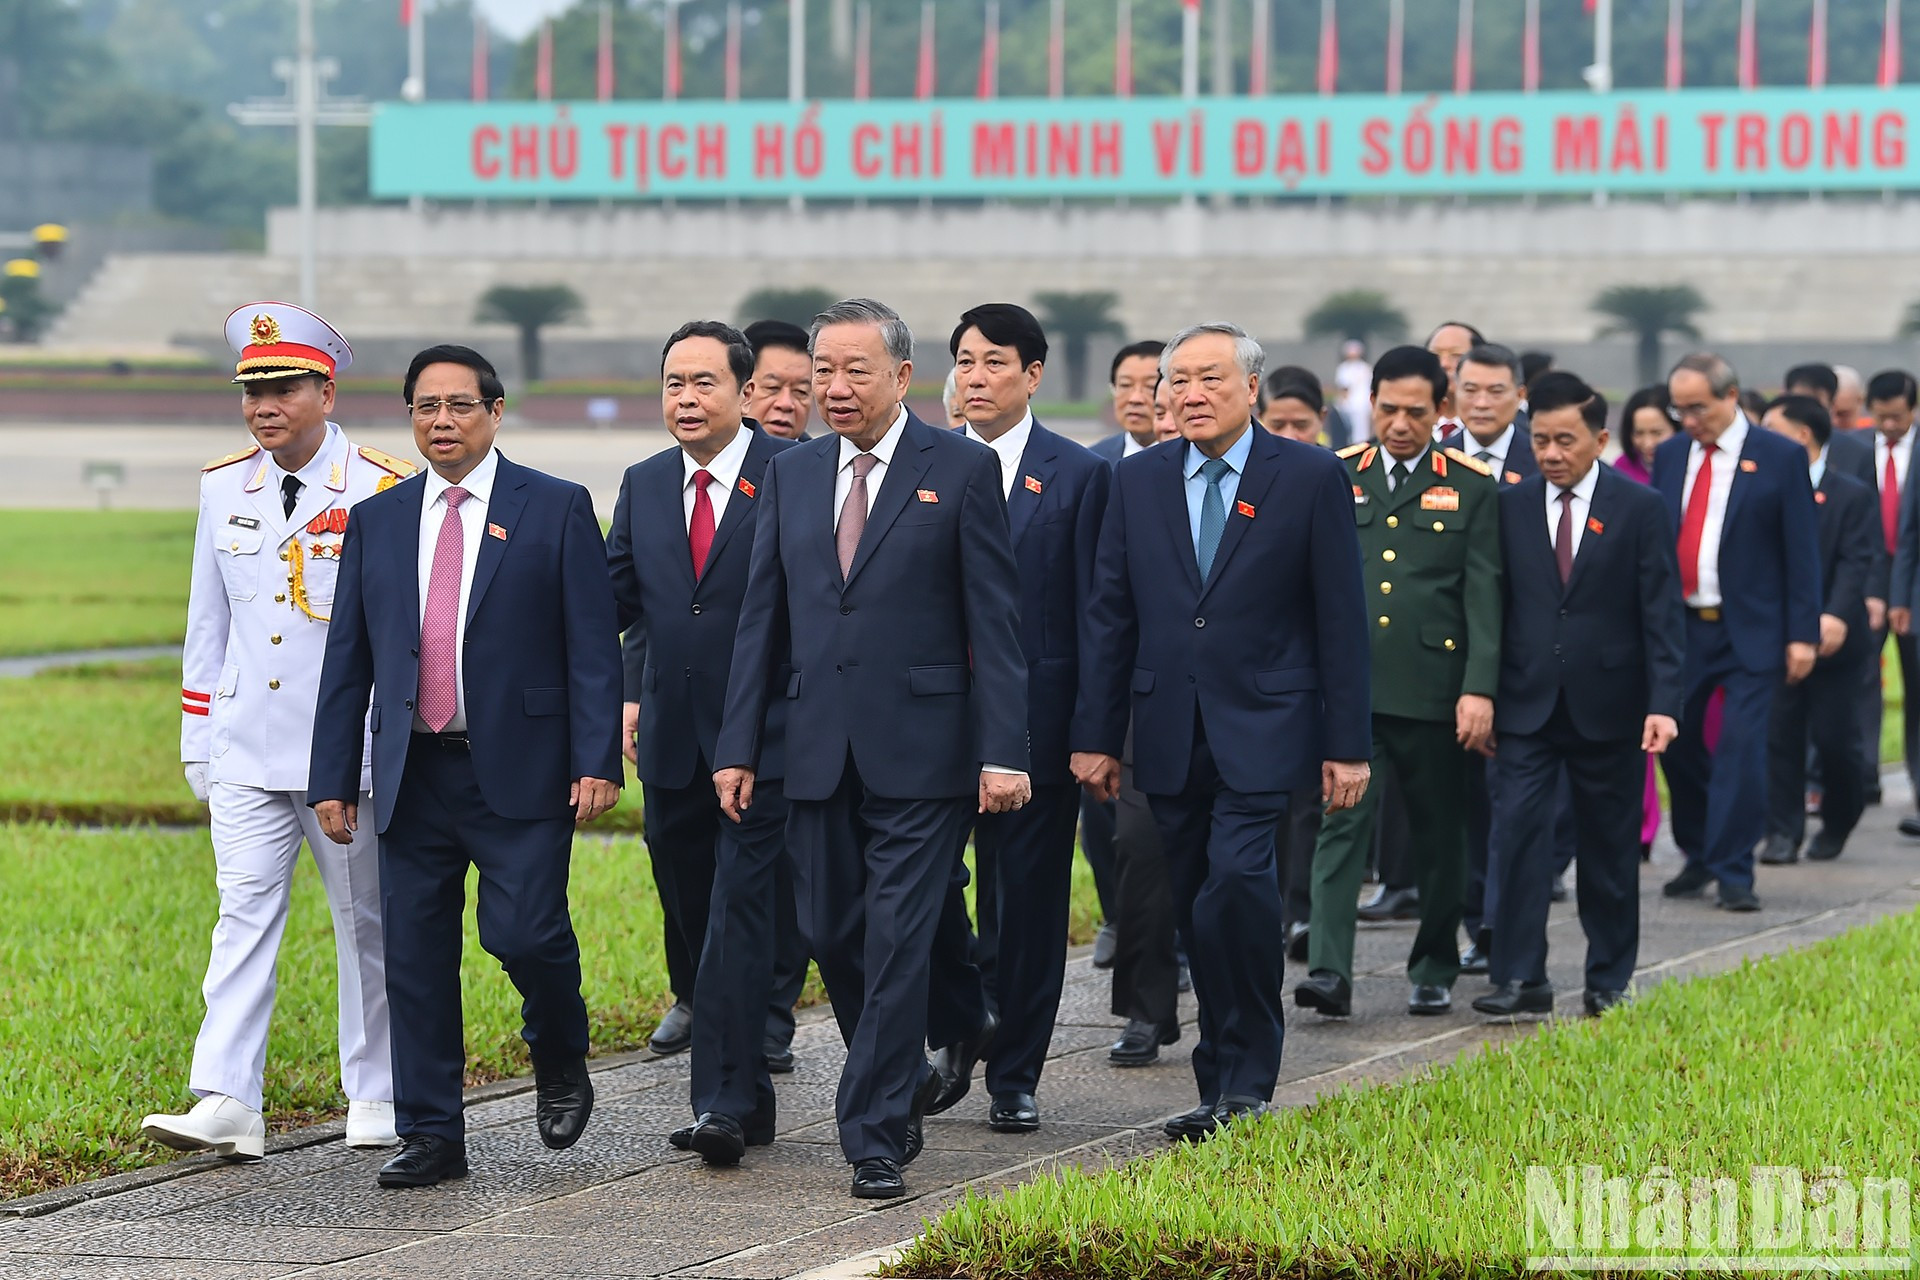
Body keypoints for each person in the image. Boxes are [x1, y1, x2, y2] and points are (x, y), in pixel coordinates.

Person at [712, 297, 1030, 1201]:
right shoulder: (793, 473)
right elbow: (760, 621)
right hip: (812, 745)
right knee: (833, 931)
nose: (836, 388)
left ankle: (876, 1132)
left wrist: (1004, 750)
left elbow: (994, 624)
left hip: (925, 752)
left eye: (857, 371)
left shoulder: (961, 469)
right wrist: (739, 746)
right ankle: (934, 1043)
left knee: (895, 938)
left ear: (901, 376)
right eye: (824, 371)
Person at [309, 344, 623, 1188]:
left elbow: (594, 647)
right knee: (412, 955)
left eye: (457, 405)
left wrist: (597, 758)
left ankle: (559, 1051)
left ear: (494, 411)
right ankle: (433, 1135)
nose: (440, 421)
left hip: (521, 767)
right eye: (424, 407)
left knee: (524, 932)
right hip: (414, 772)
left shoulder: (554, 507)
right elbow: (349, 661)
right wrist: (333, 776)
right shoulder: (379, 519)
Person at [1074, 321, 1371, 1142]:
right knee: (1198, 904)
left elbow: (1340, 619)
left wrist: (1347, 745)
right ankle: (1218, 1085)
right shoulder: (1137, 482)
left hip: (1265, 725)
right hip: (1165, 727)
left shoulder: (1307, 476)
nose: (1191, 395)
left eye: (1211, 379)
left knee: (1237, 889)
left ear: (1251, 389)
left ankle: (1247, 1077)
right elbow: (1110, 614)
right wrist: (1096, 735)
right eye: (1179, 381)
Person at [142, 303, 408, 1163]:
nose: (264, 405)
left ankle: (376, 1091)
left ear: (326, 391)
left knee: (364, 921)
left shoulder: (380, 485)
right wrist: (198, 739)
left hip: (348, 752)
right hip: (249, 744)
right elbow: (206, 622)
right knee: (242, 915)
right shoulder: (225, 486)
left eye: (284, 387)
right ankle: (226, 1096)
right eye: (252, 389)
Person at [607, 321, 803, 1166]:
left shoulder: (793, 476)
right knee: (693, 912)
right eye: (673, 384)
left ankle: (722, 1101)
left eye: (704, 384)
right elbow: (614, 601)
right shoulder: (645, 483)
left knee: (736, 916)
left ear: (748, 394)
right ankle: (747, 1084)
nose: (686, 399)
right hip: (673, 743)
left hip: (766, 738)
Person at [926, 303, 1110, 1134]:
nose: (974, 376)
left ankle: (1016, 1073)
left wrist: (1093, 733)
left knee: (1028, 903)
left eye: (993, 361)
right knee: (925, 891)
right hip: (930, 720)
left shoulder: (1077, 473)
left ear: (1032, 375)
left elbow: (1098, 613)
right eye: (964, 361)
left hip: (1038, 721)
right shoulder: (919, 464)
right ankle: (962, 1019)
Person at [1474, 372, 1683, 1020]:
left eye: (1566, 440)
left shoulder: (1639, 507)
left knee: (1609, 848)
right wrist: (1480, 692)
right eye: (1540, 440)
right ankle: (1518, 976)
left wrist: (1664, 701)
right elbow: (1491, 607)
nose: (1552, 453)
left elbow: (1662, 612)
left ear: (1599, 438)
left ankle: (1609, 976)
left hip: (1612, 704)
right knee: (1516, 839)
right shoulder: (1508, 505)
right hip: (1527, 702)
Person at [1300, 345, 1501, 1020]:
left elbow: (1483, 597)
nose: (1400, 424)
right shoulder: (1336, 474)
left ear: (1441, 411)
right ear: (1370, 404)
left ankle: (1435, 963)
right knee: (1340, 825)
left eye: (1416, 411)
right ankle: (1329, 969)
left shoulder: (1471, 485)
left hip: (1435, 693)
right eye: (1388, 409)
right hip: (1350, 693)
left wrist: (1479, 688)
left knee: (1439, 836)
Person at [1654, 353, 1821, 913]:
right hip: (1682, 628)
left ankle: (1733, 870)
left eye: (1697, 407)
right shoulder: (1673, 453)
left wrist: (1803, 633)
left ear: (1730, 397)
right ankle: (1700, 851)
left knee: (1741, 749)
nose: (1687, 420)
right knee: (1675, 745)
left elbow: (1802, 551)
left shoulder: (1779, 456)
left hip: (1752, 628)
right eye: (1679, 409)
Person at [1103, 370, 1187, 1070]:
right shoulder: (1125, 485)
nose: (1164, 419)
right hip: (1143, 705)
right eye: (1155, 409)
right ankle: (1144, 1008)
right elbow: (1106, 609)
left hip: (1237, 712)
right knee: (1140, 854)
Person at [1760, 395, 1878, 864]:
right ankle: (1782, 832)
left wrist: (1833, 615)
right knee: (1778, 737)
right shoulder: (1764, 490)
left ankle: (1838, 819)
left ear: (1802, 435)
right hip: (1777, 635)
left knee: (1835, 742)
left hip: (1836, 643)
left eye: (1772, 428)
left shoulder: (1850, 494)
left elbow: (1856, 561)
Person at [1082, 338, 1167, 966]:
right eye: (1125, 384)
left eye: (1150, 384)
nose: (1137, 397)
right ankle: (1120, 923)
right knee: (1109, 819)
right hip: (1111, 667)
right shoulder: (1095, 468)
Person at [1857, 371, 1918, 817]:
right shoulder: (1856, 451)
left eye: (1897, 417)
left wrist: (1902, 596)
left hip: (1914, 589)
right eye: (1881, 417)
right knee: (1860, 687)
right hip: (1865, 586)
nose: (1890, 426)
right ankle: (1861, 779)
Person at [1440, 343, 1534, 487]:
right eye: (1470, 390)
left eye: (1495, 392)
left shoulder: (1539, 461)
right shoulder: (1435, 459)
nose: (1481, 404)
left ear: (1520, 396)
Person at [743, 319, 814, 440]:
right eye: (772, 387)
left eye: (801, 391)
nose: (786, 404)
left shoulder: (827, 459)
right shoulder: (705, 454)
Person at [1613, 386, 1674, 486]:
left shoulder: (1692, 464)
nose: (1648, 443)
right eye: (1639, 433)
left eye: (1657, 433)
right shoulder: (1622, 467)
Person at [1258, 366, 1330, 445]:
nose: (1289, 437)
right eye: (1277, 426)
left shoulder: (1334, 457)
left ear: (1322, 418)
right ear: (1261, 420)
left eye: (1301, 426)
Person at [1334, 339, 1373, 443]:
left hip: (1363, 403)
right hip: (1349, 404)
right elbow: (1343, 387)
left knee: (1362, 428)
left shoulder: (1365, 367)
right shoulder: (1344, 368)